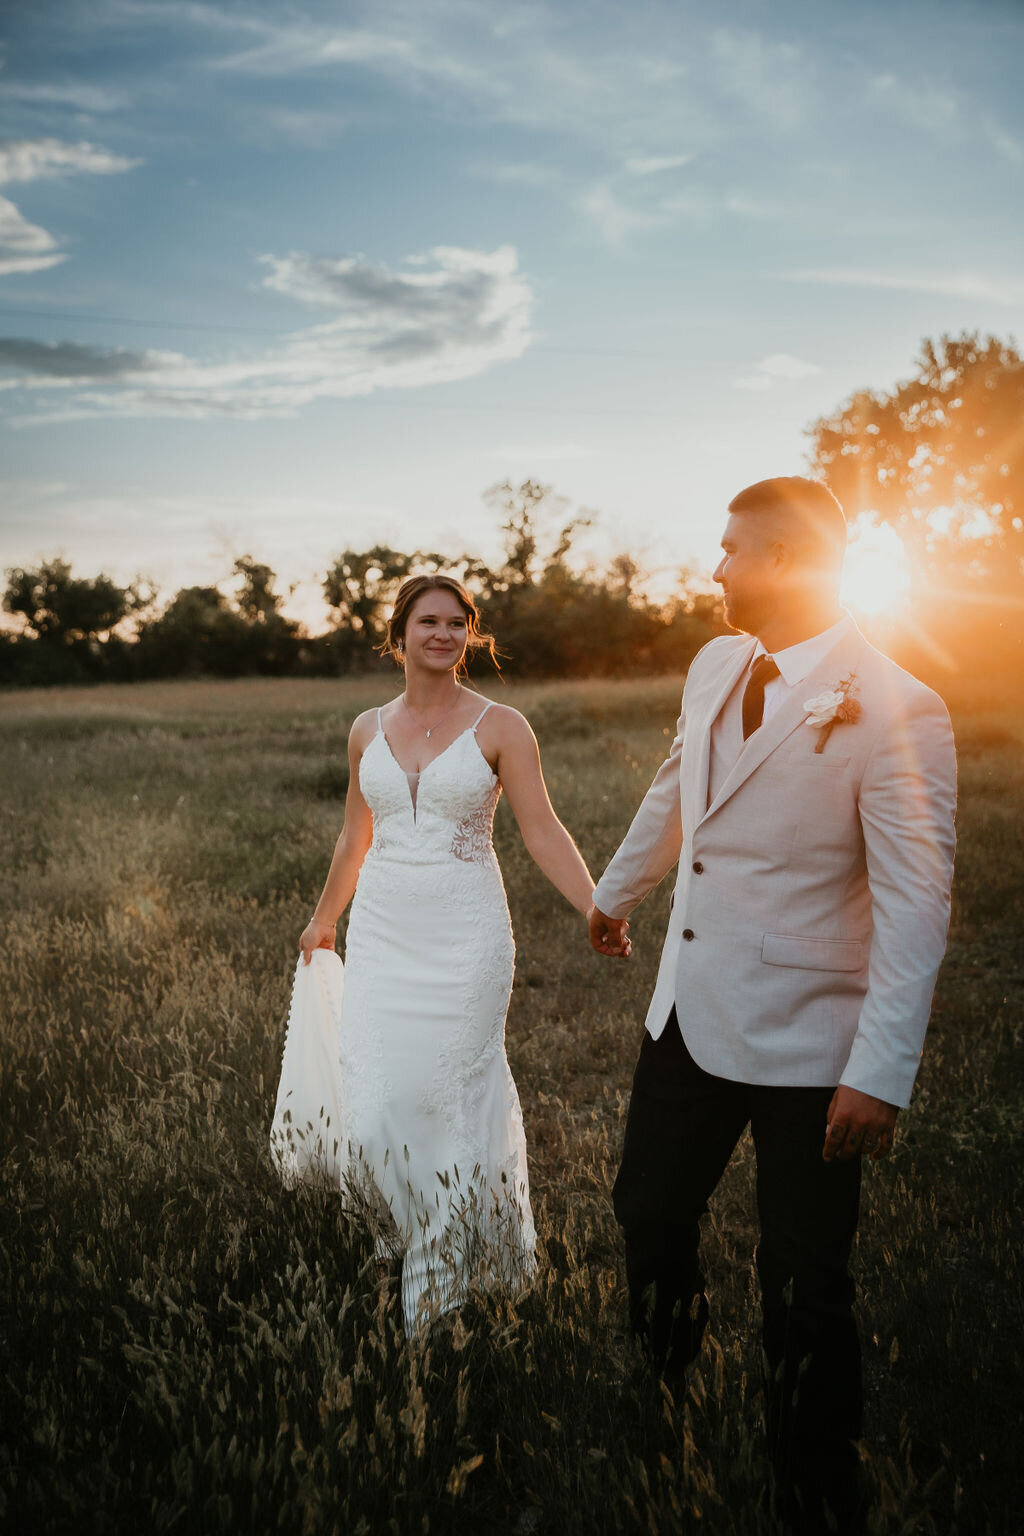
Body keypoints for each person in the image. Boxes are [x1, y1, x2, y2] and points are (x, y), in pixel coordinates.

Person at [587, 477, 957, 1532]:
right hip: (687, 1014)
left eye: (731, 551)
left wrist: (878, 1075)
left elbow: (915, 905)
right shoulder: (713, 663)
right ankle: (664, 1392)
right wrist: (618, 892)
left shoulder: (896, 705)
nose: (715, 570)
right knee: (648, 1218)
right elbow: (676, 784)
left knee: (803, 1280)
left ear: (788, 560)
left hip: (811, 1041)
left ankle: (811, 1481)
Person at [291, 574, 595, 1333]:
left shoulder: (502, 726)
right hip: (387, 935)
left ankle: (438, 1294)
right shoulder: (366, 728)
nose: (444, 634)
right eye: (429, 621)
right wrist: (324, 919)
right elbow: (355, 836)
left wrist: (597, 907)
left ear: (471, 635)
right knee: (376, 1113)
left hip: (467, 938)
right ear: (399, 634)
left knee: (449, 1100)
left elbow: (542, 831)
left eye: (458, 623)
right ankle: (413, 1229)